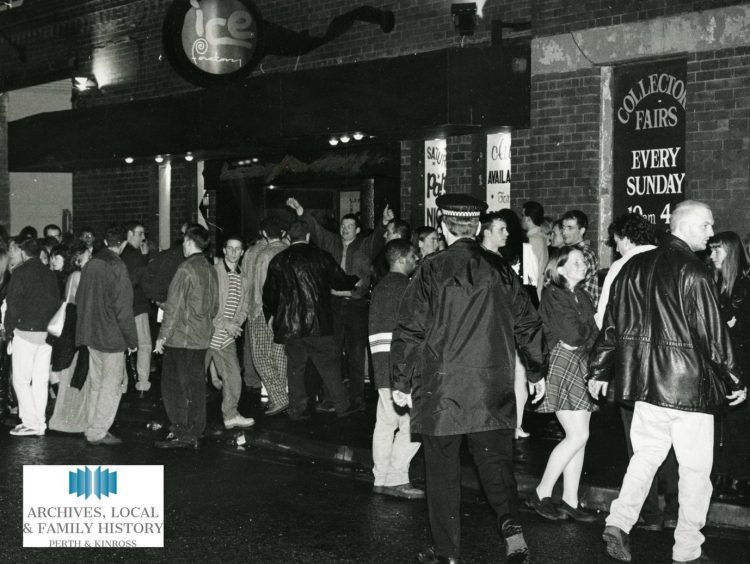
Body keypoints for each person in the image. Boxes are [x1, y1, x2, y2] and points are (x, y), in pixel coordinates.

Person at [589, 201, 747, 564]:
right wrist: (734, 377)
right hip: (688, 389)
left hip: (647, 388)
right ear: (686, 226)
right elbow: (712, 334)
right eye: (706, 226)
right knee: (694, 472)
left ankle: (619, 521)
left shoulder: (632, 268)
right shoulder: (695, 271)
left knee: (644, 459)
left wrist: (598, 370)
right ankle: (687, 549)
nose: (710, 234)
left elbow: (612, 325)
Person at [392, 194, 546, 564]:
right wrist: (537, 370)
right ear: (477, 228)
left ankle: (448, 553)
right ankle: (513, 533)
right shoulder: (500, 269)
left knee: (442, 473)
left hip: (442, 388)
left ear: (443, 227)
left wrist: (400, 380)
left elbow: (409, 329)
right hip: (492, 387)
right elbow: (528, 321)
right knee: (495, 465)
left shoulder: (430, 269)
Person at [596, 213, 678, 531]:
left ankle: (650, 512)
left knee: (640, 441)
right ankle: (673, 507)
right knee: (669, 439)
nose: (615, 246)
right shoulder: (671, 261)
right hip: (669, 369)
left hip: (632, 369)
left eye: (615, 240)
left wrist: (600, 367)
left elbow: (605, 320)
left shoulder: (622, 267)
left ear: (626, 238)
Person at [287, 197, 390, 412]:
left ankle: (357, 398)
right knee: (330, 353)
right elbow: (316, 229)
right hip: (332, 304)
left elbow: (379, 237)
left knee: (355, 354)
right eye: (343, 226)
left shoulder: (365, 246)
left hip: (356, 306)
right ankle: (330, 397)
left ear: (357, 229)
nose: (345, 229)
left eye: (350, 226)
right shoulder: (331, 242)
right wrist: (301, 210)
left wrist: (384, 222)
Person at [263, 219, 359, 421]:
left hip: (291, 326)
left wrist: (270, 316)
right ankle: (343, 406)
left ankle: (298, 409)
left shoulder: (278, 261)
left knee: (295, 367)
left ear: (289, 238)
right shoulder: (321, 256)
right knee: (329, 366)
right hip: (319, 323)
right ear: (308, 237)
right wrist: (355, 279)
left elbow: (269, 294)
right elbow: (339, 280)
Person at [532, 246, 598, 522]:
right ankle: (542, 490)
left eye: (583, 261)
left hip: (579, 362)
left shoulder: (580, 294)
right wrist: (588, 332)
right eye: (576, 261)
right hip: (562, 362)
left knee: (580, 436)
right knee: (577, 436)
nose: (583, 264)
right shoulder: (554, 294)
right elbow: (574, 335)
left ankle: (570, 499)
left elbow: (592, 335)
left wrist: (587, 334)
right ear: (559, 269)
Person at [154, 224, 219, 449]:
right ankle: (194, 431)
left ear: (189, 242)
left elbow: (174, 307)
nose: (182, 245)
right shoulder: (210, 268)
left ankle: (181, 430)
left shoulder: (185, 269)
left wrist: (162, 337)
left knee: (174, 386)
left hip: (182, 338)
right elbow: (214, 306)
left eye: (184, 241)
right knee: (196, 385)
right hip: (200, 337)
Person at [369, 239, 423, 500]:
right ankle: (397, 478)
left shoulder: (380, 287)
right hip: (400, 368)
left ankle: (380, 477)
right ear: (401, 259)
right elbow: (410, 332)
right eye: (414, 256)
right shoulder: (406, 287)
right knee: (415, 425)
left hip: (381, 365)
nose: (416, 260)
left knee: (385, 424)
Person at [75, 224, 137, 446]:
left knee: (96, 383)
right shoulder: (118, 266)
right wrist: (132, 340)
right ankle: (98, 431)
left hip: (92, 334)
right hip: (112, 337)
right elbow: (123, 309)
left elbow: (80, 298)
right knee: (110, 386)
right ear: (122, 244)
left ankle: (91, 425)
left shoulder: (92, 264)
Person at [479, 211, 534, 440]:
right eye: (502, 229)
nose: (508, 233)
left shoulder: (523, 251)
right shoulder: (477, 257)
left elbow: (530, 288)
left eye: (508, 228)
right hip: (492, 326)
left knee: (518, 373)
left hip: (510, 322)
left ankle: (515, 424)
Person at [708, 231, 750, 500]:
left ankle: (740, 477)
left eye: (717, 251)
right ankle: (722, 474)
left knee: (738, 421)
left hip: (741, 362)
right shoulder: (715, 283)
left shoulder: (744, 286)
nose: (711, 256)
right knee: (721, 420)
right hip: (722, 363)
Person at [4, 237, 59, 436]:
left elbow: (13, 307)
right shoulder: (49, 273)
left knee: (20, 380)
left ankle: (29, 422)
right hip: (46, 333)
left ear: (24, 252)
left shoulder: (20, 273)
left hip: (25, 331)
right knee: (40, 380)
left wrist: (9, 330)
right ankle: (40, 422)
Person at [205, 235, 255, 430]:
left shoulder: (244, 278)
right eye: (230, 248)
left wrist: (236, 323)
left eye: (238, 249)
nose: (234, 252)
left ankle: (231, 415)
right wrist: (224, 323)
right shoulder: (214, 273)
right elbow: (206, 306)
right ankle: (186, 422)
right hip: (208, 334)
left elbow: (244, 307)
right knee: (194, 378)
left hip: (226, 338)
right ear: (224, 250)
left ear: (242, 252)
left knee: (234, 377)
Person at [246, 217, 289, 416]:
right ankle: (279, 395)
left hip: (264, 313)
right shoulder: (289, 250)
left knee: (261, 357)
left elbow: (261, 288)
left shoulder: (262, 254)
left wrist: (255, 313)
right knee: (279, 355)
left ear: (263, 233)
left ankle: (279, 398)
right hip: (284, 313)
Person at [48, 243, 93, 433]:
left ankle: (67, 416)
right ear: (78, 258)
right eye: (88, 255)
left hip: (70, 325)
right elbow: (83, 301)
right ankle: (72, 419)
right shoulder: (79, 276)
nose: (91, 258)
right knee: (75, 372)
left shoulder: (72, 276)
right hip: (75, 326)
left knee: (68, 372)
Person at [120, 221, 153, 397]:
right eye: (140, 233)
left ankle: (123, 382)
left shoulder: (120, 254)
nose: (143, 238)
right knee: (144, 344)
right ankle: (142, 381)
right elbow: (140, 277)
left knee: (124, 346)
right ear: (130, 233)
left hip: (123, 307)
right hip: (137, 305)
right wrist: (145, 257)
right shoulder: (136, 256)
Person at [560, 210, 599, 307]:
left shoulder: (585, 255)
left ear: (581, 231)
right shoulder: (568, 252)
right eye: (563, 227)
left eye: (569, 228)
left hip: (582, 310)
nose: (564, 232)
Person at [371, 218, 411, 289]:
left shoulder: (409, 257)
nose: (384, 235)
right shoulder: (382, 254)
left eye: (388, 232)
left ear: (398, 236)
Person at [522, 201, 549, 296]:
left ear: (528, 219)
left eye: (522, 216)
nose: (521, 219)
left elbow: (530, 273)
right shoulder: (542, 237)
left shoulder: (531, 240)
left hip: (534, 293)